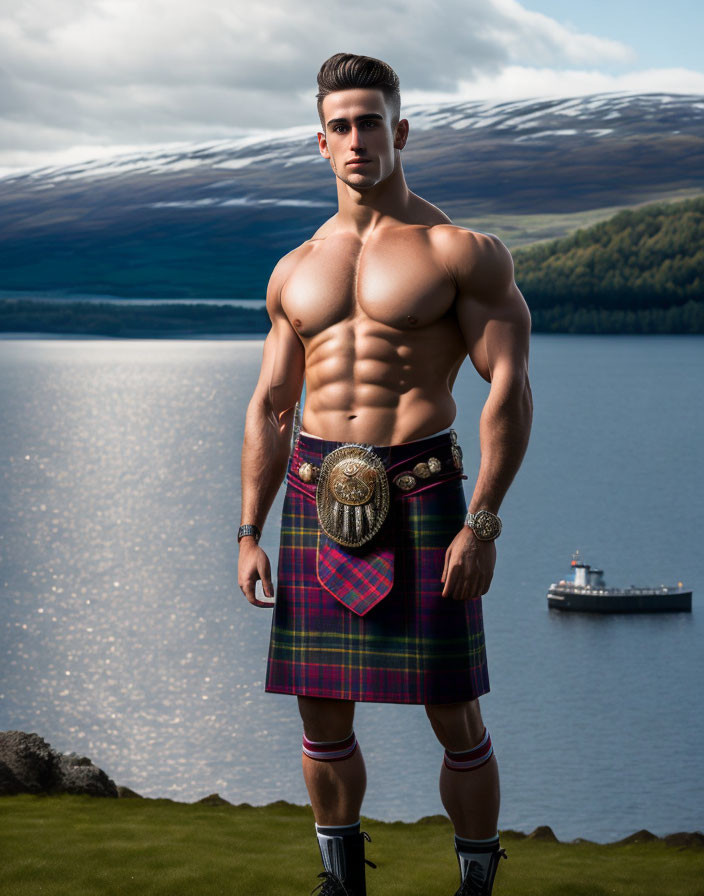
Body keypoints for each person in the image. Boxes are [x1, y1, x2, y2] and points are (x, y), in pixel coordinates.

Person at [238, 52, 532, 896]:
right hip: (311, 495)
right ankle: (342, 878)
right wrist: (249, 531)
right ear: (319, 143)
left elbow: (508, 391)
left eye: (372, 121)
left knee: (454, 710)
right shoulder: (295, 270)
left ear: (399, 132)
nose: (357, 137)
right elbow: (268, 406)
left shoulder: (459, 252)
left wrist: (482, 522)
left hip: (423, 495)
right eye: (341, 125)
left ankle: (476, 884)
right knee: (319, 709)